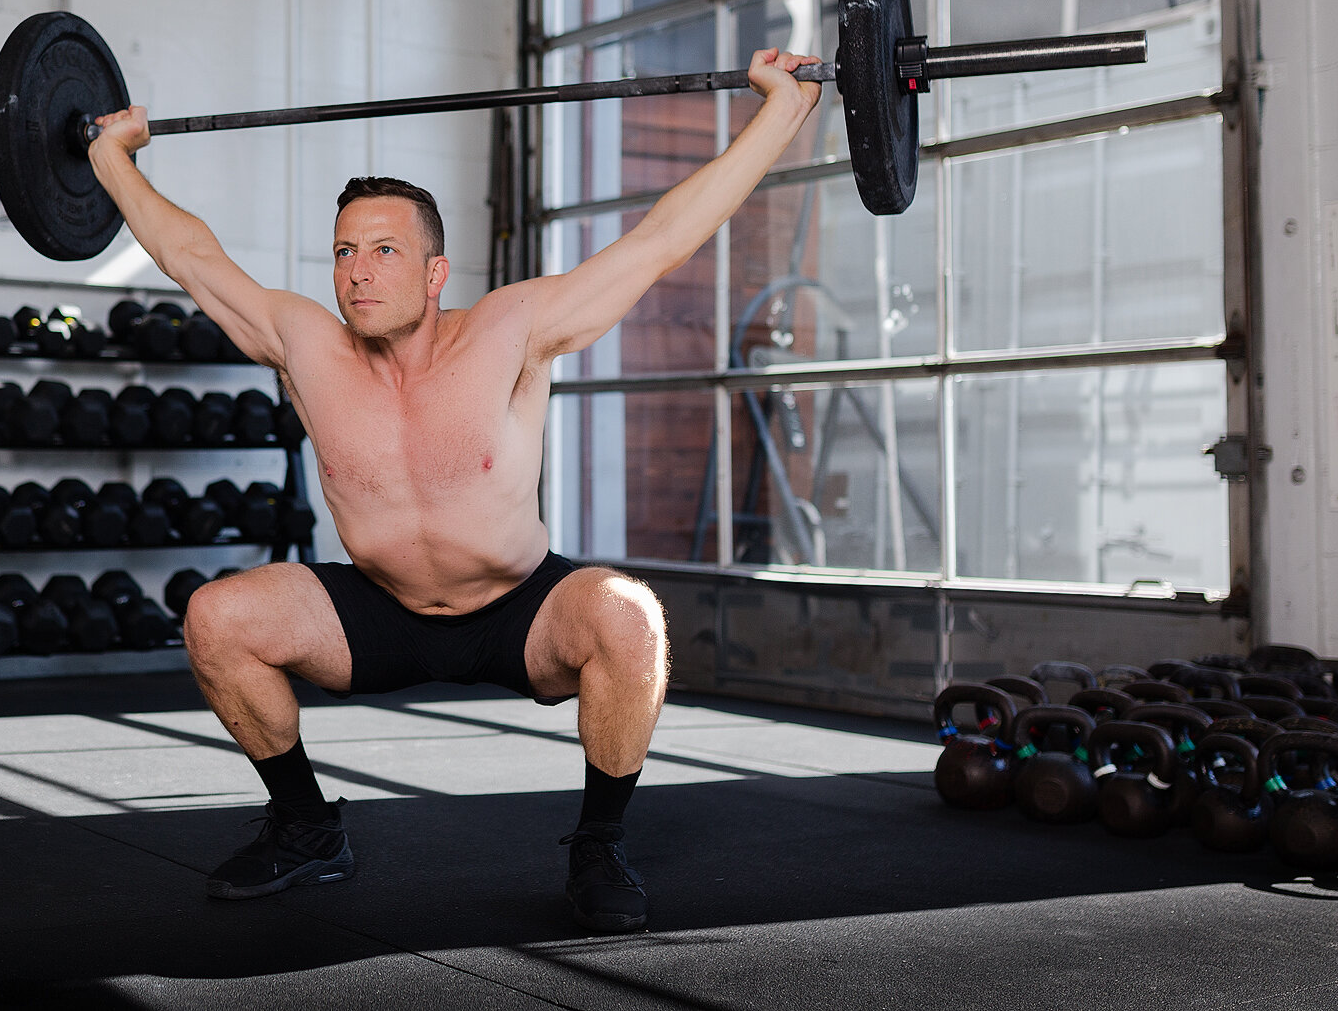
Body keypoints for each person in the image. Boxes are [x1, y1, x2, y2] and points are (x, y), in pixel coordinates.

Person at [86, 47, 823, 931]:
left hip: (519, 607)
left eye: (384, 251)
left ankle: (598, 842)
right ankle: (308, 825)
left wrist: (783, 109)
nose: (358, 271)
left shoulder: (512, 328)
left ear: (435, 273)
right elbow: (188, 254)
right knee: (217, 617)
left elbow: (663, 240)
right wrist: (109, 157)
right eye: (345, 251)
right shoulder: (303, 342)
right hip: (378, 610)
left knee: (630, 617)